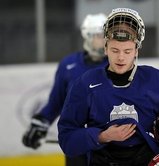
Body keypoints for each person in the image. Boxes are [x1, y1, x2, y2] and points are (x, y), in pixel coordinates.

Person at [58, 8, 159, 166]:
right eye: (115, 50)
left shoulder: (156, 80)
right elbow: (67, 138)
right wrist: (102, 136)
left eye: (127, 51)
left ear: (136, 51)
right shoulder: (86, 83)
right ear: (105, 48)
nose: (121, 57)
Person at [22, 13, 108, 166]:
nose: (103, 40)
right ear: (87, 36)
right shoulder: (69, 65)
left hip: (108, 144)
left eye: (106, 36)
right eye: (98, 36)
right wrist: (41, 122)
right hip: (77, 143)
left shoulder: (118, 65)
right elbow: (56, 102)